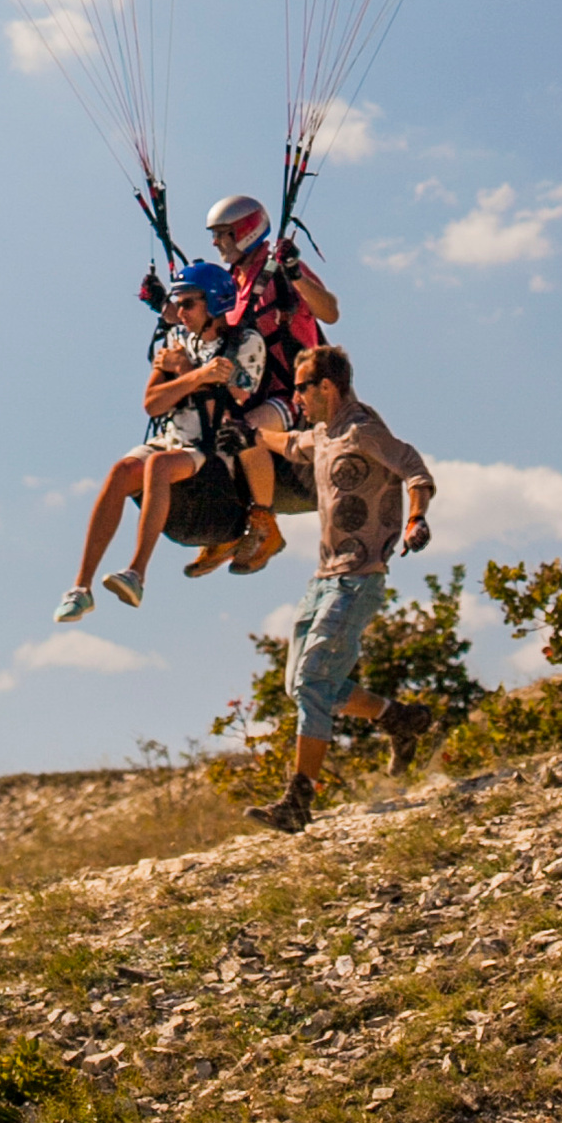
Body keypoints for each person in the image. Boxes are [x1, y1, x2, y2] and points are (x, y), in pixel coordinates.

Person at [243, 343, 435, 834]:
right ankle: (399, 719)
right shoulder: (323, 434)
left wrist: (416, 519)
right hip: (322, 578)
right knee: (302, 686)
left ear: (326, 387)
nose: (297, 398)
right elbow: (289, 444)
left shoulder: (364, 431)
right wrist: (247, 433)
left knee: (312, 682)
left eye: (302, 388)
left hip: (359, 576)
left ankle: (298, 800)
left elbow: (415, 470)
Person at [54, 263, 264, 622]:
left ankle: (136, 572)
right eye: (177, 304)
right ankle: (81, 587)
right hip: (172, 438)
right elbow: (152, 402)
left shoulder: (244, 344)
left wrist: (183, 373)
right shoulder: (176, 341)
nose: (179, 313)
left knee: (157, 466)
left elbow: (230, 407)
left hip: (212, 451)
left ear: (213, 303)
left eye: (188, 304)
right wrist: (197, 375)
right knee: (121, 471)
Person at [199, 193, 341, 582]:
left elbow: (330, 311)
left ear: (245, 232)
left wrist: (295, 273)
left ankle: (264, 528)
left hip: (294, 397)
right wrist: (167, 304)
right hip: (253, 394)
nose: (216, 243)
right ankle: (228, 530)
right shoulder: (234, 283)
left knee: (243, 434)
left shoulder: (278, 270)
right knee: (208, 435)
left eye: (223, 234)